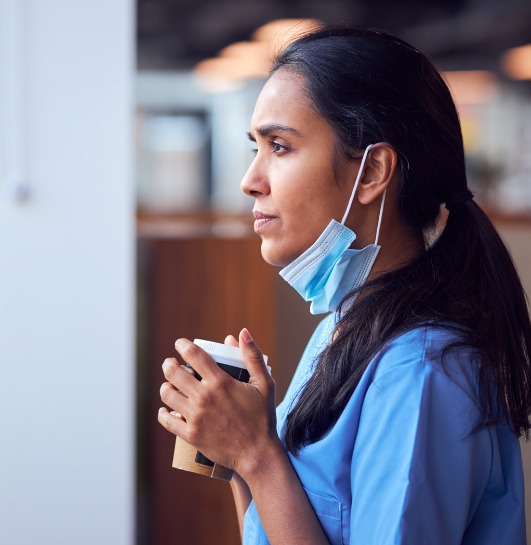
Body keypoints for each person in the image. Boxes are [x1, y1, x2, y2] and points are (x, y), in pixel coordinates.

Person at [157, 27, 531, 544]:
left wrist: (257, 454)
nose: (251, 179)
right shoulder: (349, 322)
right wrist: (238, 447)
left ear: (374, 170)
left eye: (280, 147)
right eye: (255, 148)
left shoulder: (421, 372)